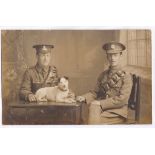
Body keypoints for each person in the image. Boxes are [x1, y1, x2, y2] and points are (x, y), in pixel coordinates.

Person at [76, 42, 133, 124]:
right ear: (107, 56)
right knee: (88, 114)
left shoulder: (126, 76)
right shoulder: (103, 75)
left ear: (121, 56)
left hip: (117, 113)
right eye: (110, 55)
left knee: (91, 120)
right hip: (102, 109)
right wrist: (84, 97)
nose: (113, 58)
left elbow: (122, 100)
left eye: (115, 55)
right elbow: (95, 92)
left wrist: (100, 103)